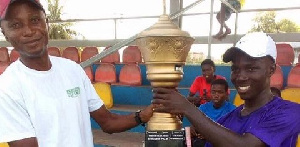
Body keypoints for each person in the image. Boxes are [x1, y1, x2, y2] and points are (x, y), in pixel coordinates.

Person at [0, 0, 153, 147]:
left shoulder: (72, 69)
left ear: (46, 23)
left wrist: (143, 115)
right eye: (16, 25)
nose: (29, 31)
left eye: (34, 20)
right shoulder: (8, 87)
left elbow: (108, 122)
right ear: (5, 33)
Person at [152, 32, 300, 146]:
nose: (240, 77)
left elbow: (245, 145)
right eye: (235, 69)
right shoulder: (228, 119)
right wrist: (157, 139)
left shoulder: (289, 112)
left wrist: (187, 108)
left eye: (251, 68)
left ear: (271, 69)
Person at [191, 79, 236, 147]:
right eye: (213, 92)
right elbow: (196, 125)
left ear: (226, 94)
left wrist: (209, 135)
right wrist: (194, 129)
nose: (216, 95)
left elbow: (231, 133)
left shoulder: (232, 110)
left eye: (220, 92)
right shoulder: (203, 108)